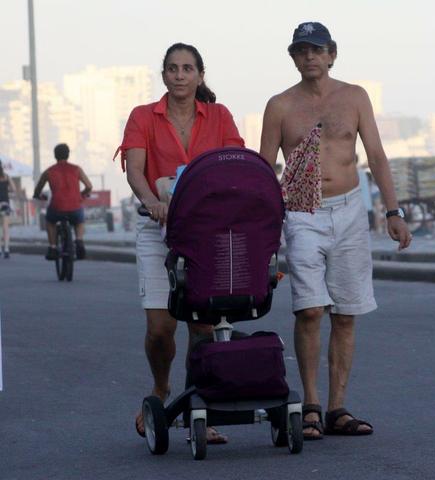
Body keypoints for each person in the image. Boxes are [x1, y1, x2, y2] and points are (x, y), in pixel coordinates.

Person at [260, 22, 411, 440]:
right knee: (309, 309)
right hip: (302, 210)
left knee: (346, 313)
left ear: (332, 54)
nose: (310, 56)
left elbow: (376, 155)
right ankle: (309, 405)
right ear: (293, 58)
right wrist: (265, 228)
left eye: (317, 49)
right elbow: (265, 168)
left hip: (349, 211)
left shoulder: (355, 97)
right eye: (302, 50)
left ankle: (336, 408)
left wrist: (394, 211)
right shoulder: (280, 106)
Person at [118, 43, 244, 444]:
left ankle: (199, 406)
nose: (179, 75)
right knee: (160, 327)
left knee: (203, 325)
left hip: (207, 232)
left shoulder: (219, 116)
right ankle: (161, 389)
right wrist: (152, 201)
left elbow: (236, 162)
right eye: (172, 69)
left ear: (200, 75)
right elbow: (135, 170)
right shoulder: (143, 117)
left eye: (187, 68)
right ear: (164, 75)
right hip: (159, 229)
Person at [32, 144, 92, 260]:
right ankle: (79, 241)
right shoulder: (77, 169)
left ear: (55, 156)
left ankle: (53, 248)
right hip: (75, 207)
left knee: (50, 221)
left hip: (57, 208)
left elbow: (37, 189)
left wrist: (37, 195)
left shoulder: (48, 172)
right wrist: (81, 195)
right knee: (79, 220)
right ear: (68, 155)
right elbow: (89, 186)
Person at [0, 163, 19, 258]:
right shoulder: (6, 177)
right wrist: (7, 192)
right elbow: (14, 189)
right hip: (5, 204)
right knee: (5, 227)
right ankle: (6, 249)